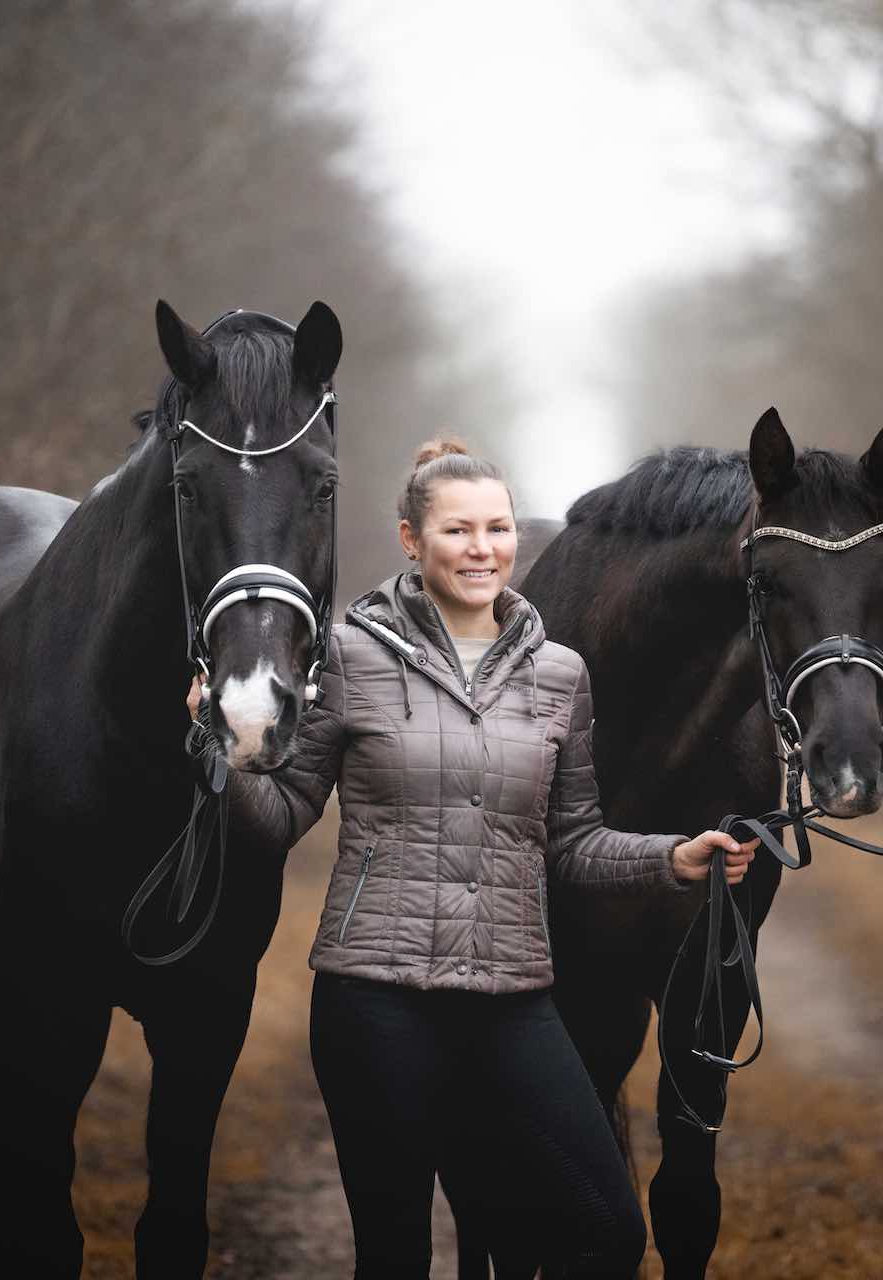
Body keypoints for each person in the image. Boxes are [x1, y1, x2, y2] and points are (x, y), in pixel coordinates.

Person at [190, 438, 755, 1276]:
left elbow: (572, 842)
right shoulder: (346, 656)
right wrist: (213, 755)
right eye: (458, 530)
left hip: (512, 1006)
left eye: (497, 528)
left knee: (605, 1228)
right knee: (397, 1257)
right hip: (376, 1002)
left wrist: (672, 858)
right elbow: (279, 814)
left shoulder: (561, 675)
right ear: (412, 540)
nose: (483, 548)